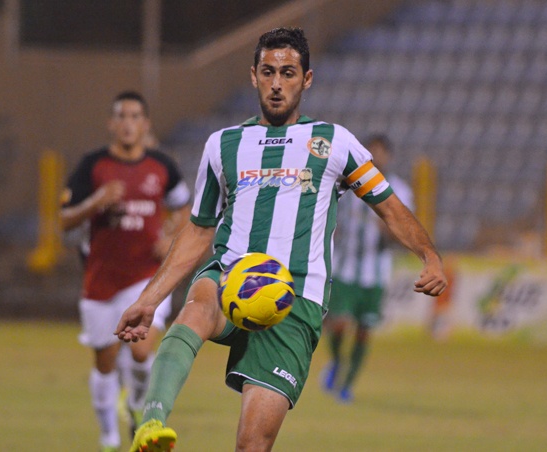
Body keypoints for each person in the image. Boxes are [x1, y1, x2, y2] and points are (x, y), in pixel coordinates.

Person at [115, 28, 447, 452]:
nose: (276, 83)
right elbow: (198, 230)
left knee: (252, 445)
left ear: (306, 79)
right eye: (268, 72)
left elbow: (389, 206)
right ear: (253, 75)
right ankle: (151, 423)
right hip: (231, 273)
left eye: (287, 73)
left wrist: (429, 255)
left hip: (295, 298)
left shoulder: (334, 142)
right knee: (194, 311)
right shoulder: (224, 145)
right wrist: (149, 299)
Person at [60, 90, 191, 452]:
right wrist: (95, 202)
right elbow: (64, 219)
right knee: (104, 363)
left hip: (146, 277)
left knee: (140, 350)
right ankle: (108, 438)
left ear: (145, 124)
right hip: (101, 279)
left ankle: (137, 406)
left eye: (135, 117)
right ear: (111, 123)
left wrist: (172, 238)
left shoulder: (162, 166)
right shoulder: (93, 165)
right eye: (122, 116)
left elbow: (184, 209)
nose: (128, 124)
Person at [321, 134, 414, 403]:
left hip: (375, 272)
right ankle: (337, 361)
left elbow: (403, 232)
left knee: (364, 329)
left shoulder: (400, 190)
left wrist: (386, 228)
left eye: (381, 152)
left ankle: (346, 385)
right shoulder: (346, 185)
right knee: (338, 323)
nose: (376, 157)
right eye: (371, 151)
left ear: (389, 157)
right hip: (345, 267)